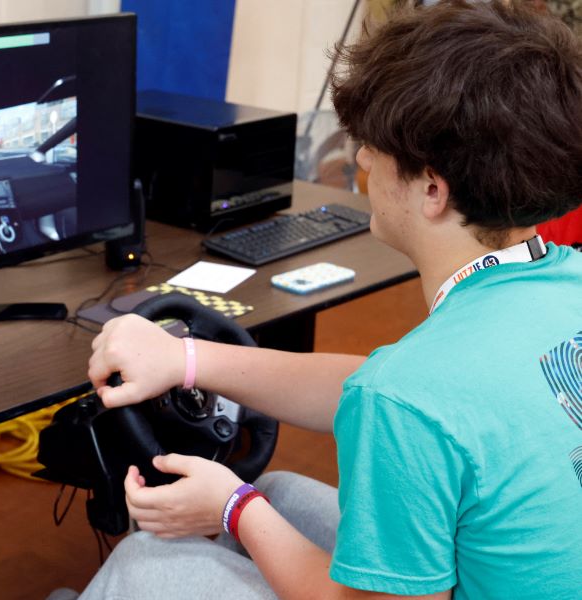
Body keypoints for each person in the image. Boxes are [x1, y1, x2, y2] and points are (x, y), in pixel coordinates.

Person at [49, 1, 582, 598]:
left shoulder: (410, 398)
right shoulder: (567, 281)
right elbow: (378, 391)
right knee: (278, 492)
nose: (359, 158)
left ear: (432, 189)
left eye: (376, 146)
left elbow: (404, 405)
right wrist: (190, 360)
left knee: (148, 562)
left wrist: (232, 507)